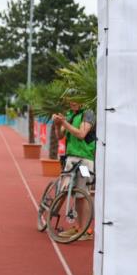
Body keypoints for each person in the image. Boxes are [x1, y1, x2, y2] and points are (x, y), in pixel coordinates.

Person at [52, 91, 96, 240]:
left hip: (85, 160)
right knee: (72, 192)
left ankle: (86, 230)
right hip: (71, 159)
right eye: (70, 100)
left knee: (84, 193)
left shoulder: (88, 113)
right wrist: (58, 125)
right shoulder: (70, 114)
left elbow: (82, 134)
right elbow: (60, 136)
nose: (72, 103)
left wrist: (64, 123)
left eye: (76, 100)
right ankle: (78, 226)